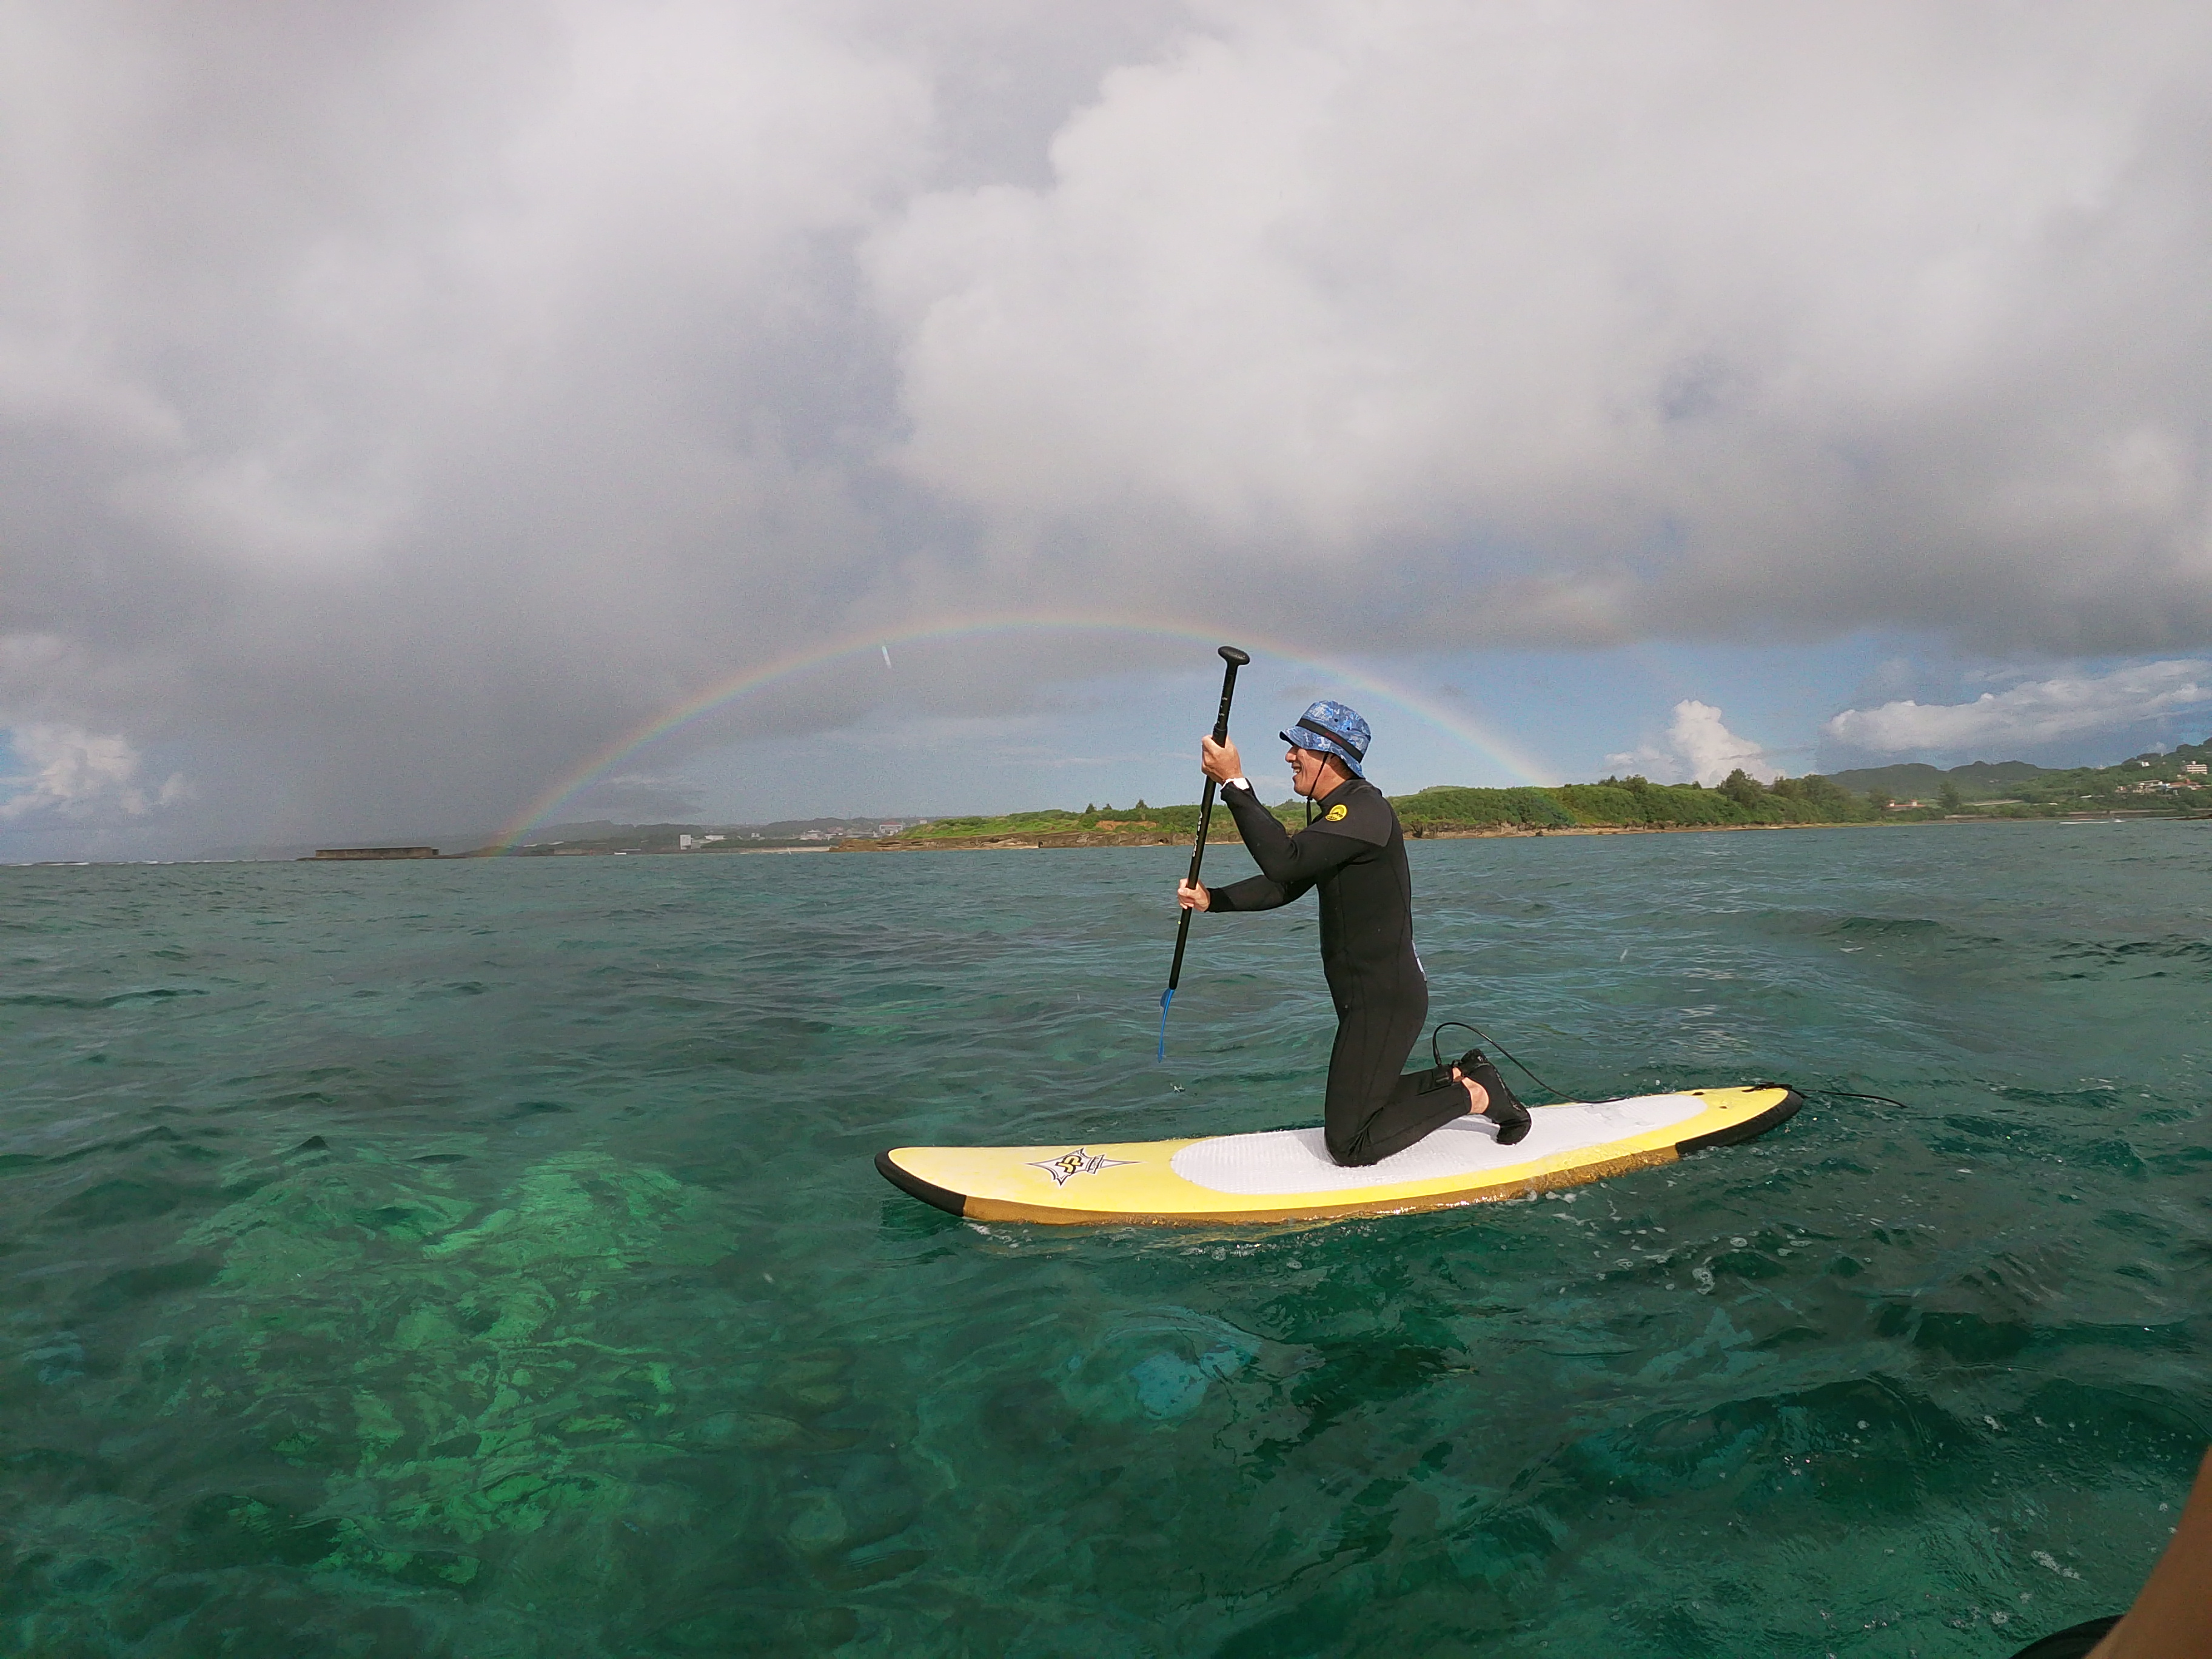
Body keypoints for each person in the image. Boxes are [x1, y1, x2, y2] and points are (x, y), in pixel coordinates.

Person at [1175, 699, 1530, 1165]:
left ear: (1332, 755)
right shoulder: (1336, 818)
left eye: (1300, 747)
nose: (1289, 757)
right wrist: (1214, 899)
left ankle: (1476, 1095)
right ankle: (1462, 1076)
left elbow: (1285, 859)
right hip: (1365, 994)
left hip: (1383, 998)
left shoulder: (1366, 811)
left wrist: (1235, 783)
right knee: (1359, 1108)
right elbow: (1288, 883)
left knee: (1350, 1144)